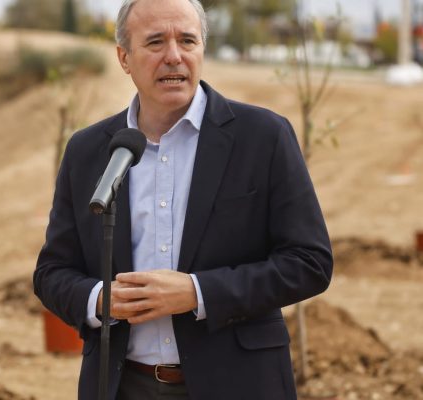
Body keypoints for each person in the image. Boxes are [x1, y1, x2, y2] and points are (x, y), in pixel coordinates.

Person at [33, 0, 333, 399]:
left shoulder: (263, 137)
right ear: (124, 57)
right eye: (155, 42)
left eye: (187, 41)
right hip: (123, 387)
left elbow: (310, 262)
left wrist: (197, 292)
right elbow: (52, 271)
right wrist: (100, 300)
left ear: (202, 50)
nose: (174, 56)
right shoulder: (88, 150)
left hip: (239, 384)